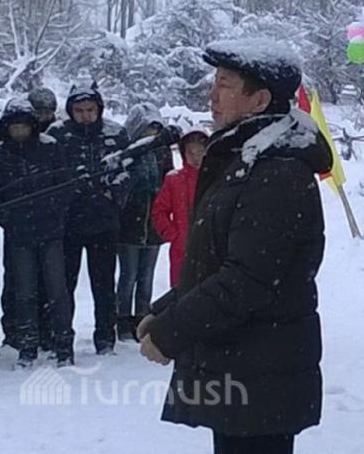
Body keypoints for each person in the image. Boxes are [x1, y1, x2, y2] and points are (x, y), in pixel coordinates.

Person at [138, 38, 330, 454]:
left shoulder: (277, 173)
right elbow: (217, 260)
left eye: (224, 85)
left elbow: (246, 280)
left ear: (259, 100)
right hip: (243, 367)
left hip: (261, 370)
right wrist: (168, 307)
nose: (212, 95)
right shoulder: (246, 159)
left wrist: (172, 332)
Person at [0, 98, 74, 368]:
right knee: (24, 291)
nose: (20, 130)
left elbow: (65, 186)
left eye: (24, 125)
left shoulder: (50, 148)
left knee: (57, 289)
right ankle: (27, 346)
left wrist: (55, 214)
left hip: (51, 231)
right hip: (18, 234)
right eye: (14, 126)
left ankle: (63, 345)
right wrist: (8, 220)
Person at [48, 80, 130, 355]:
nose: (85, 115)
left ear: (99, 109)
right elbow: (49, 176)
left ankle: (105, 338)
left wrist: (112, 194)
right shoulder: (57, 135)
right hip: (67, 223)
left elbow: (127, 170)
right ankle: (61, 339)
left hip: (104, 222)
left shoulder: (115, 133)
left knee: (104, 284)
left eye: (90, 109)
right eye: (79, 110)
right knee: (63, 285)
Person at [116, 103, 172, 342]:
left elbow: (168, 183)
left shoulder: (162, 153)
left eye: (156, 129)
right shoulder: (127, 153)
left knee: (146, 275)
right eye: (148, 128)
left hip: (153, 224)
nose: (152, 133)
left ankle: (142, 317)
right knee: (128, 275)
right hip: (130, 224)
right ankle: (122, 319)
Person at [152, 129, 209, 288]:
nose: (195, 157)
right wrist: (173, 234)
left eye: (200, 152)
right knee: (181, 291)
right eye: (190, 152)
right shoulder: (174, 180)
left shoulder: (216, 178)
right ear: (183, 154)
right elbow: (159, 211)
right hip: (181, 250)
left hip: (210, 249)